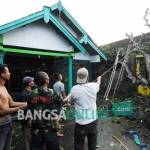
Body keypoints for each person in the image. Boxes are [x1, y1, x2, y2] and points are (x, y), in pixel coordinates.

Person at [64, 67, 101, 150]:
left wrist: (68, 102)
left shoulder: (74, 89)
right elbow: (98, 83)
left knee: (79, 146)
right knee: (92, 145)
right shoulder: (94, 86)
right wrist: (99, 78)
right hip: (92, 122)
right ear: (87, 77)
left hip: (80, 124)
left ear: (78, 77)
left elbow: (69, 102)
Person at [28, 71, 60, 150]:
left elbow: (30, 109)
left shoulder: (31, 94)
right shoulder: (54, 93)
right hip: (51, 129)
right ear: (46, 80)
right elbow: (58, 109)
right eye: (48, 78)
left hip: (36, 129)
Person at [0, 64, 27, 150]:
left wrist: (27, 103)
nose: (10, 73)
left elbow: (12, 103)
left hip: (8, 122)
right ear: (2, 74)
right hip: (1, 125)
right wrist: (22, 108)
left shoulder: (3, 87)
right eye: (8, 71)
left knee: (7, 147)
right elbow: (1, 111)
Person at [19, 76, 35, 150]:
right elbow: (25, 109)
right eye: (32, 81)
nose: (33, 82)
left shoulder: (31, 92)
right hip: (27, 119)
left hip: (32, 118)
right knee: (26, 138)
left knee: (31, 137)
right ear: (29, 83)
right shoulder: (24, 94)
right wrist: (28, 119)